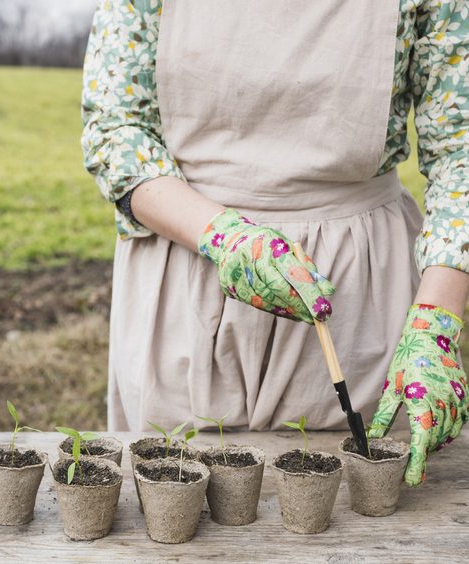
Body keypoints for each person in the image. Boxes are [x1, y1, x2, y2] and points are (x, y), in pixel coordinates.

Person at [81, 0, 468, 486]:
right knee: (176, 516)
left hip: (361, 293)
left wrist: (437, 320)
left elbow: (462, 145)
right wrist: (223, 235)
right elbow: (115, 128)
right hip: (188, 271)